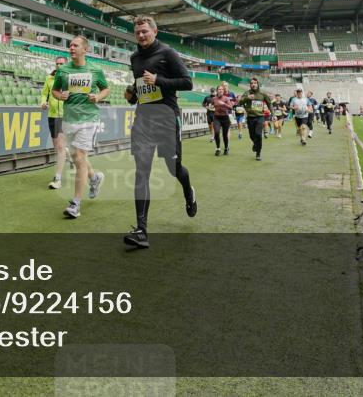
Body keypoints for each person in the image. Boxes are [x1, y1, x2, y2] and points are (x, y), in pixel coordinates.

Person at [122, 16, 197, 248]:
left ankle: (188, 191)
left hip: (166, 118)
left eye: (145, 31)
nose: (141, 35)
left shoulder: (168, 53)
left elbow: (187, 83)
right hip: (143, 119)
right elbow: (141, 89)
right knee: (141, 172)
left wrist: (158, 80)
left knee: (174, 169)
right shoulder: (134, 58)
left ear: (155, 31)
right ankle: (141, 230)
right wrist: (132, 94)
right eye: (138, 33)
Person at [51, 35, 110, 219]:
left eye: (75, 45)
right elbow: (55, 90)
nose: (71, 48)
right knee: (78, 158)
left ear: (85, 49)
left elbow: (106, 89)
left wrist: (98, 97)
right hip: (69, 119)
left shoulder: (95, 69)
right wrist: (60, 96)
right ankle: (94, 178)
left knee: (80, 157)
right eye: (70, 45)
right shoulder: (63, 71)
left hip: (88, 119)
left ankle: (76, 203)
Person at [40, 56, 70, 189]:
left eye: (62, 64)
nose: (59, 66)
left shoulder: (71, 78)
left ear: (66, 64)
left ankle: (58, 178)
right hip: (52, 115)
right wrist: (43, 102)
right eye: (57, 64)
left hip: (65, 116)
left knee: (59, 147)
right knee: (57, 146)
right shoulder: (49, 78)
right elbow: (44, 94)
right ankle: (69, 154)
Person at [238, 78, 272, 160]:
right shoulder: (247, 93)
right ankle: (255, 144)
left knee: (258, 134)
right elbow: (240, 102)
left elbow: (269, 104)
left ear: (258, 84)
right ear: (250, 85)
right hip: (250, 118)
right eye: (252, 83)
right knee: (252, 136)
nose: (253, 84)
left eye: (255, 83)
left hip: (260, 117)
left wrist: (273, 114)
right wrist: (248, 98)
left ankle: (258, 153)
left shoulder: (263, 93)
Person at [211, 87, 235, 156]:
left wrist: (223, 104)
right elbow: (212, 105)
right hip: (217, 118)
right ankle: (218, 149)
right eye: (219, 89)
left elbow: (231, 107)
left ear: (223, 91)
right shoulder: (214, 98)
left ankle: (226, 148)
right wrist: (210, 106)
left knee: (225, 135)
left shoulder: (226, 98)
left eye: (222, 89)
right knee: (217, 132)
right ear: (217, 91)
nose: (221, 90)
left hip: (225, 118)